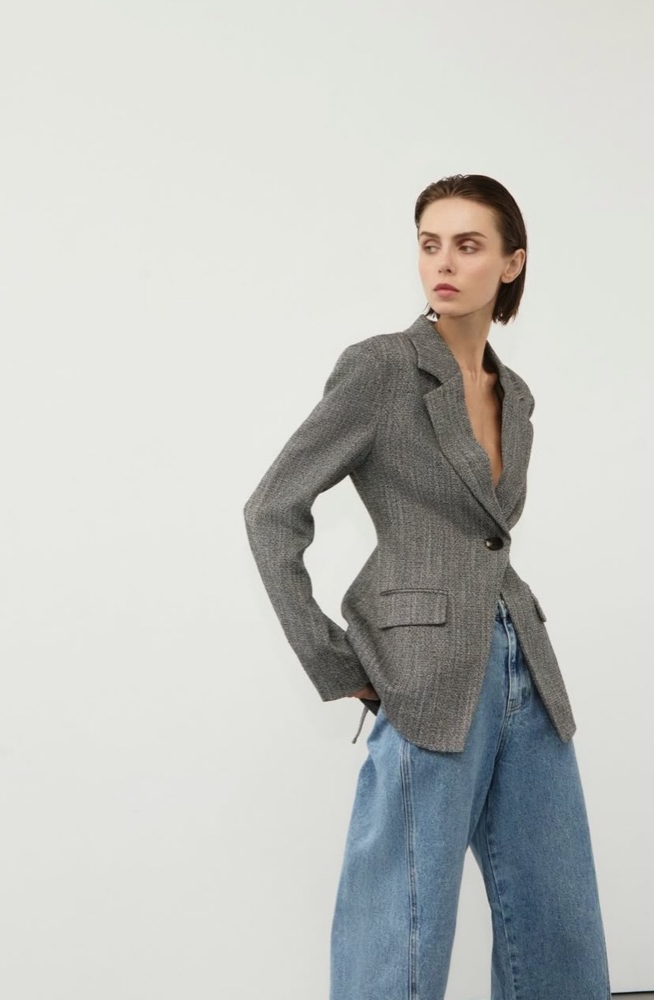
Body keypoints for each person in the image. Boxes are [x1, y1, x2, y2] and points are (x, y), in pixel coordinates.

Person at [243, 174, 611, 1000]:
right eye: (429, 243)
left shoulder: (516, 395)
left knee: (557, 915)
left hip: (524, 662)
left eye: (468, 245)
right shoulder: (381, 368)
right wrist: (336, 663)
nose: (443, 262)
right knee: (401, 921)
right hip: (424, 678)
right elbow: (271, 510)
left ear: (512, 263)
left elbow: (488, 536)